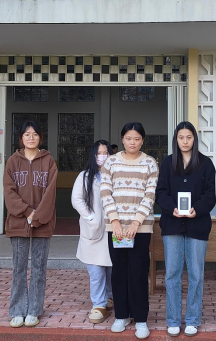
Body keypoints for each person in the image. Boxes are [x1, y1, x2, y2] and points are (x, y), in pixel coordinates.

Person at [155, 121, 216, 337]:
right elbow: (160, 191)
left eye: (189, 137)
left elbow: (211, 195)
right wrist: (171, 208)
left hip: (197, 225)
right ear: (176, 140)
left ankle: (192, 319)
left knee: (196, 274)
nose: (185, 141)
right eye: (181, 137)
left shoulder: (206, 163)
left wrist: (196, 209)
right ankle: (173, 319)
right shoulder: (168, 163)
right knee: (172, 273)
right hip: (172, 225)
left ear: (194, 139)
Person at [101, 122, 159, 339]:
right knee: (119, 271)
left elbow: (150, 195)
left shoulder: (150, 163)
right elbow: (105, 192)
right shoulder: (111, 162)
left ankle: (141, 319)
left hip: (140, 228)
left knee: (138, 271)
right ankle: (121, 315)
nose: (132, 142)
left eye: (136, 139)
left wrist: (135, 223)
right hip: (115, 227)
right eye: (128, 138)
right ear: (122, 139)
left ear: (142, 140)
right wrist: (115, 221)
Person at [3, 121, 58, 328]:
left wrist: (37, 216)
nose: (31, 137)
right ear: (21, 138)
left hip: (42, 224)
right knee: (18, 268)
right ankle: (17, 310)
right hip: (18, 223)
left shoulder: (49, 161)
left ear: (40, 138)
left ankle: (34, 310)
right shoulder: (12, 162)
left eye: (35, 134)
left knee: (38, 268)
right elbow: (9, 192)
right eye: (27, 134)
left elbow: (50, 193)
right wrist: (27, 212)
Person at [71, 140, 113, 324]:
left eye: (106, 153)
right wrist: (90, 218)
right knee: (96, 271)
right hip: (93, 230)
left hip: (112, 229)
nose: (102, 157)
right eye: (99, 153)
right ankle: (98, 304)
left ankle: (110, 297)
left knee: (112, 269)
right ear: (93, 155)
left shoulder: (116, 175)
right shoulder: (84, 176)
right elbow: (77, 199)